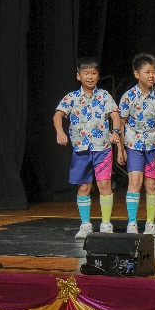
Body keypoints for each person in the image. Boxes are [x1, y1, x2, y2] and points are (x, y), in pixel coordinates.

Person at [53, 57, 119, 238]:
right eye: (86, 73)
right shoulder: (72, 98)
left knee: (104, 184)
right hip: (81, 150)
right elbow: (58, 115)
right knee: (83, 187)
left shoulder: (104, 96)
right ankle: (85, 224)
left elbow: (115, 115)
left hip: (102, 149)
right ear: (78, 76)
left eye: (93, 73)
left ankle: (106, 223)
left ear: (98, 76)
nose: (90, 77)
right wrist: (60, 132)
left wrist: (116, 132)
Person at [112, 53, 155, 236]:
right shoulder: (128, 96)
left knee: (152, 185)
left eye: (154, 72)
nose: (151, 75)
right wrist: (120, 149)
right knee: (134, 182)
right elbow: (121, 123)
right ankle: (132, 222)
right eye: (147, 72)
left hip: (154, 147)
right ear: (137, 74)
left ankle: (150, 222)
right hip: (134, 146)